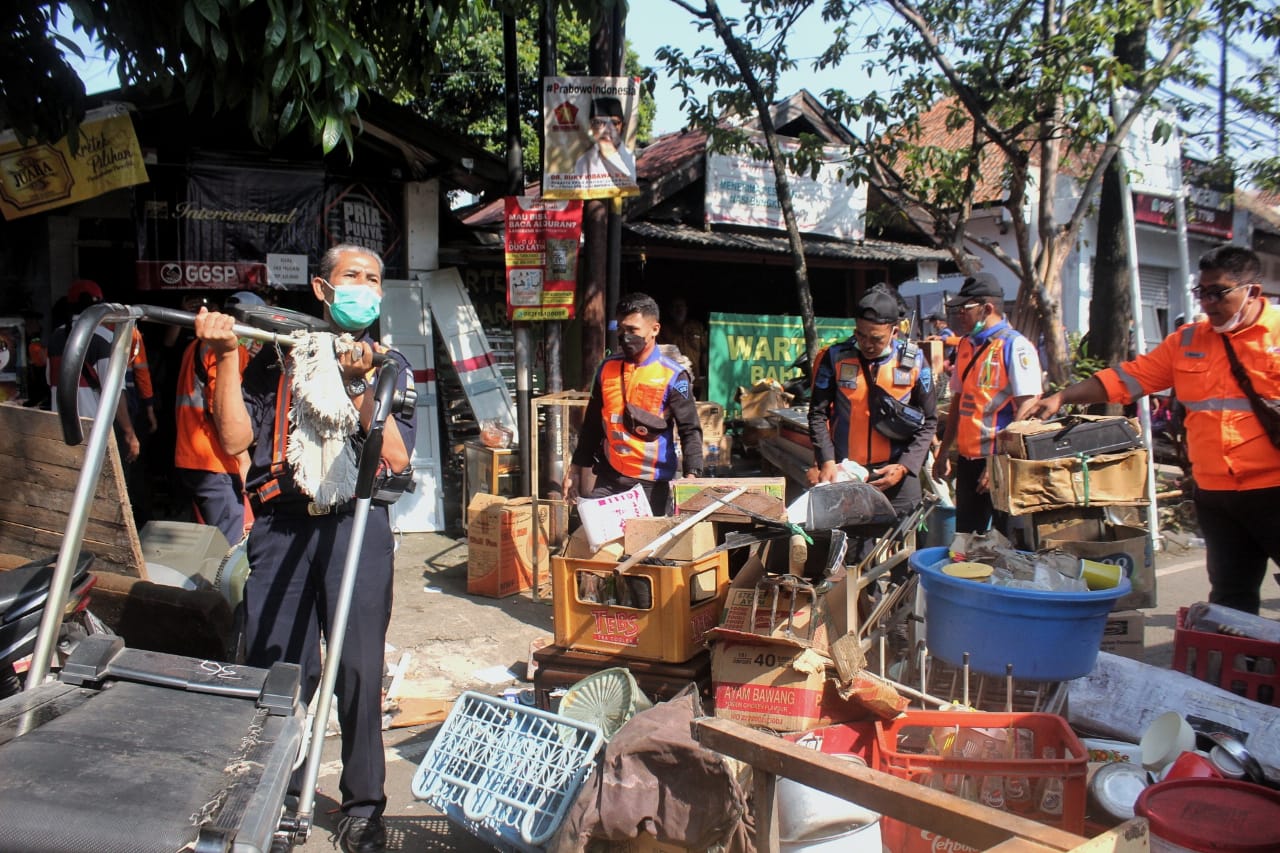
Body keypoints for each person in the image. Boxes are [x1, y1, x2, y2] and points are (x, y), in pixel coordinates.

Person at [195, 245, 415, 853]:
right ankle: (276, 797)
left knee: (358, 670)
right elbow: (238, 438)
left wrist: (363, 379)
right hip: (282, 524)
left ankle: (364, 805)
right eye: (352, 277)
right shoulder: (275, 355)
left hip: (357, 525)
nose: (365, 289)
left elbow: (394, 457)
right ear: (322, 287)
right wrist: (225, 357)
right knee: (281, 670)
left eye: (373, 280)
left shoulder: (390, 363)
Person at [1019, 246, 1280, 614]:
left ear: (1252, 291)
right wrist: (1062, 396)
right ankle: (1240, 668)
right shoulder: (1188, 341)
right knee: (1231, 599)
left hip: (1273, 490)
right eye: (1200, 292)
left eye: (1218, 292)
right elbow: (1130, 378)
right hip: (1217, 496)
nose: (1206, 302)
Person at [809, 286, 937, 539]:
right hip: (849, 473)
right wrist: (826, 461)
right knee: (851, 553)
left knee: (903, 553)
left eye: (876, 338)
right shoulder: (834, 357)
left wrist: (904, 467)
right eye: (861, 335)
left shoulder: (915, 362)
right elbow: (817, 414)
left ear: (894, 332)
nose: (867, 344)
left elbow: (929, 420)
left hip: (897, 475)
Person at [565, 292, 703, 516]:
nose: (625, 336)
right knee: (592, 536)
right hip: (609, 476)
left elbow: (690, 429)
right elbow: (591, 424)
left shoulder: (675, 376)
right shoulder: (606, 369)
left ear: (654, 329)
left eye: (633, 331)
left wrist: (692, 475)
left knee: (643, 549)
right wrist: (575, 469)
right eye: (621, 329)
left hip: (651, 484)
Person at [931, 273, 1042, 535]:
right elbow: (959, 402)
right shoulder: (966, 346)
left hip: (1004, 464)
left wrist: (1000, 464)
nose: (959, 315)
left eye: (965, 309)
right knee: (967, 541)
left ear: (987, 309)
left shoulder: (1015, 347)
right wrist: (945, 450)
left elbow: (1030, 406)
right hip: (970, 462)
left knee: (1012, 545)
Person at [174, 291, 264, 546]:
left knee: (209, 539)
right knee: (232, 545)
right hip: (216, 461)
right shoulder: (226, 349)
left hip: (191, 456)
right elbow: (220, 408)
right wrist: (245, 463)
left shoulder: (195, 345)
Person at [46, 279, 141, 464]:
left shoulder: (55, 337)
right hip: (94, 432)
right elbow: (114, 391)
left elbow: (50, 382)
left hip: (61, 430)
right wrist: (129, 432)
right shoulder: (105, 338)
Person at [572, 96, 636, 185]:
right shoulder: (583, 161)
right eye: (598, 122)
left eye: (614, 123)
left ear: (623, 127)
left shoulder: (629, 157)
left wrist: (610, 154)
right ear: (591, 127)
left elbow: (630, 185)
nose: (607, 129)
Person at [657, 296, 707, 397]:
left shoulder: (696, 327)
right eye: (675, 307)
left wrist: (707, 374)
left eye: (681, 306)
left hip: (695, 381)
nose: (678, 309)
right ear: (670, 310)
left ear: (686, 309)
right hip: (671, 381)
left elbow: (705, 352)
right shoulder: (663, 329)